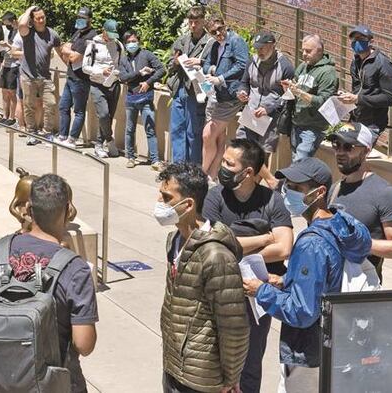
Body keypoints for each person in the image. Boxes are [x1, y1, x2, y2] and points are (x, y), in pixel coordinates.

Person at [242, 158, 372, 393]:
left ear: (319, 192)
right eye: (287, 185)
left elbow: (302, 311)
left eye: (295, 188)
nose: (287, 192)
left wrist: (261, 291)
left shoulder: (311, 243)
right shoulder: (338, 226)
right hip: (334, 344)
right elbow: (327, 280)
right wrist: (285, 281)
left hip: (309, 352)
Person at [0, 174, 98, 391]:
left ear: (29, 209)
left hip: (2, 380)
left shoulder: (0, 250)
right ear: (68, 210)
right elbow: (84, 344)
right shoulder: (75, 268)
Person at [202, 138, 292, 393]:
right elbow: (214, 243)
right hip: (221, 291)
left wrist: (236, 245)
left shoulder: (272, 201)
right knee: (217, 362)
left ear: (248, 172)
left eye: (229, 164)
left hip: (256, 297)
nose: (222, 167)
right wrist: (264, 238)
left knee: (251, 363)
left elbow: (285, 248)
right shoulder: (214, 197)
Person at [156, 162, 248, 393]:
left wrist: (230, 378)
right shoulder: (174, 240)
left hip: (202, 380)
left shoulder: (216, 256)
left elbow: (233, 325)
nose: (159, 203)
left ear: (188, 204)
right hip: (175, 367)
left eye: (166, 197)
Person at [327, 122, 392, 282]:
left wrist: (359, 243)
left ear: (366, 150)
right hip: (332, 286)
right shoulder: (335, 188)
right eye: (337, 146)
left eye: (348, 147)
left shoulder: (385, 194)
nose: (340, 152)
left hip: (361, 290)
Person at [234, 31, 294, 179]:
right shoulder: (252, 60)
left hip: (270, 118)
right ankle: (240, 184)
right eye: (257, 47)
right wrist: (242, 92)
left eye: (262, 47)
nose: (259, 51)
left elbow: (288, 96)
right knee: (242, 149)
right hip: (250, 113)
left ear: (272, 46)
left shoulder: (285, 66)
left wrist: (269, 108)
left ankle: (256, 187)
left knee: (261, 156)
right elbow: (244, 82)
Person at [200, 18, 249, 180]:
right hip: (218, 95)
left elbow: (242, 65)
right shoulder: (215, 45)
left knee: (208, 134)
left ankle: (202, 174)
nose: (219, 34)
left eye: (220, 29)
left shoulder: (236, 41)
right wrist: (212, 69)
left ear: (225, 25)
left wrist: (220, 78)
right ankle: (213, 175)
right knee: (218, 137)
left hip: (231, 96)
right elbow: (207, 63)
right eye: (213, 32)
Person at [282, 34, 339, 162]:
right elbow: (295, 86)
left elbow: (324, 101)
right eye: (303, 50)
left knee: (300, 163)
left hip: (312, 128)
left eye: (308, 51)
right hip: (296, 123)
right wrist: (289, 87)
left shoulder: (328, 72)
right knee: (296, 162)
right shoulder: (303, 66)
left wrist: (300, 93)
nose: (304, 54)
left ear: (319, 51)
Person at [168, 6, 213, 164]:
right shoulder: (182, 40)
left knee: (193, 131)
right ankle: (178, 166)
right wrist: (174, 62)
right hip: (180, 88)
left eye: (197, 22)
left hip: (196, 90)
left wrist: (200, 62)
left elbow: (215, 65)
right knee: (177, 129)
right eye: (191, 22)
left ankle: (193, 167)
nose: (193, 25)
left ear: (203, 22)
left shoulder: (209, 43)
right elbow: (169, 63)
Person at [18, 5, 67, 145]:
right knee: (29, 106)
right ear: (32, 20)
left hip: (45, 77)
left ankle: (47, 133)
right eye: (38, 18)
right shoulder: (28, 33)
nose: (41, 20)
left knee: (51, 104)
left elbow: (60, 51)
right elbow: (21, 23)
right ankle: (32, 133)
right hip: (28, 76)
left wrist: (70, 67)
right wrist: (29, 9)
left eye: (43, 17)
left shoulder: (52, 34)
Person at [118, 30, 166, 169]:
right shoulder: (123, 59)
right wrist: (139, 73)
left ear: (138, 41)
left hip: (146, 99)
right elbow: (123, 78)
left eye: (134, 41)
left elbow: (161, 70)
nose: (131, 44)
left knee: (150, 129)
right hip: (131, 99)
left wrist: (148, 82)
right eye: (128, 42)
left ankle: (155, 160)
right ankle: (130, 157)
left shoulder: (147, 54)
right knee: (129, 129)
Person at [339, 25, 392, 137]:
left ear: (371, 41)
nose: (357, 42)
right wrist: (346, 96)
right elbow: (358, 89)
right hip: (355, 118)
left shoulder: (383, 64)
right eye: (354, 39)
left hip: (372, 123)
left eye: (361, 39)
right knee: (340, 147)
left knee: (355, 154)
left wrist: (358, 99)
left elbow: (390, 98)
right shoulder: (355, 61)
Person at [82, 19, 125, 158]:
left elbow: (122, 63)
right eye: (110, 33)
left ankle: (99, 144)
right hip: (97, 84)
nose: (112, 36)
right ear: (103, 31)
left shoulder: (118, 45)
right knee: (103, 114)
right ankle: (110, 140)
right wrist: (101, 71)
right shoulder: (93, 45)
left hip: (113, 84)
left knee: (109, 117)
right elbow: (85, 67)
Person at [57, 6, 97, 148]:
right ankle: (62, 136)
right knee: (63, 107)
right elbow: (63, 49)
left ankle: (72, 139)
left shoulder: (91, 35)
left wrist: (70, 51)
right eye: (79, 17)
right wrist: (70, 50)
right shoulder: (78, 33)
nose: (80, 20)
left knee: (79, 111)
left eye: (83, 18)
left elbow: (74, 57)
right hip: (70, 76)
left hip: (81, 79)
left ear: (89, 20)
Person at [0, 11, 22, 127]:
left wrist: (7, 46)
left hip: (14, 64)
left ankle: (12, 116)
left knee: (12, 92)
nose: (7, 26)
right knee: (4, 90)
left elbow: (17, 48)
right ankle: (5, 115)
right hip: (6, 63)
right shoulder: (11, 31)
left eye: (8, 23)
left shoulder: (20, 32)